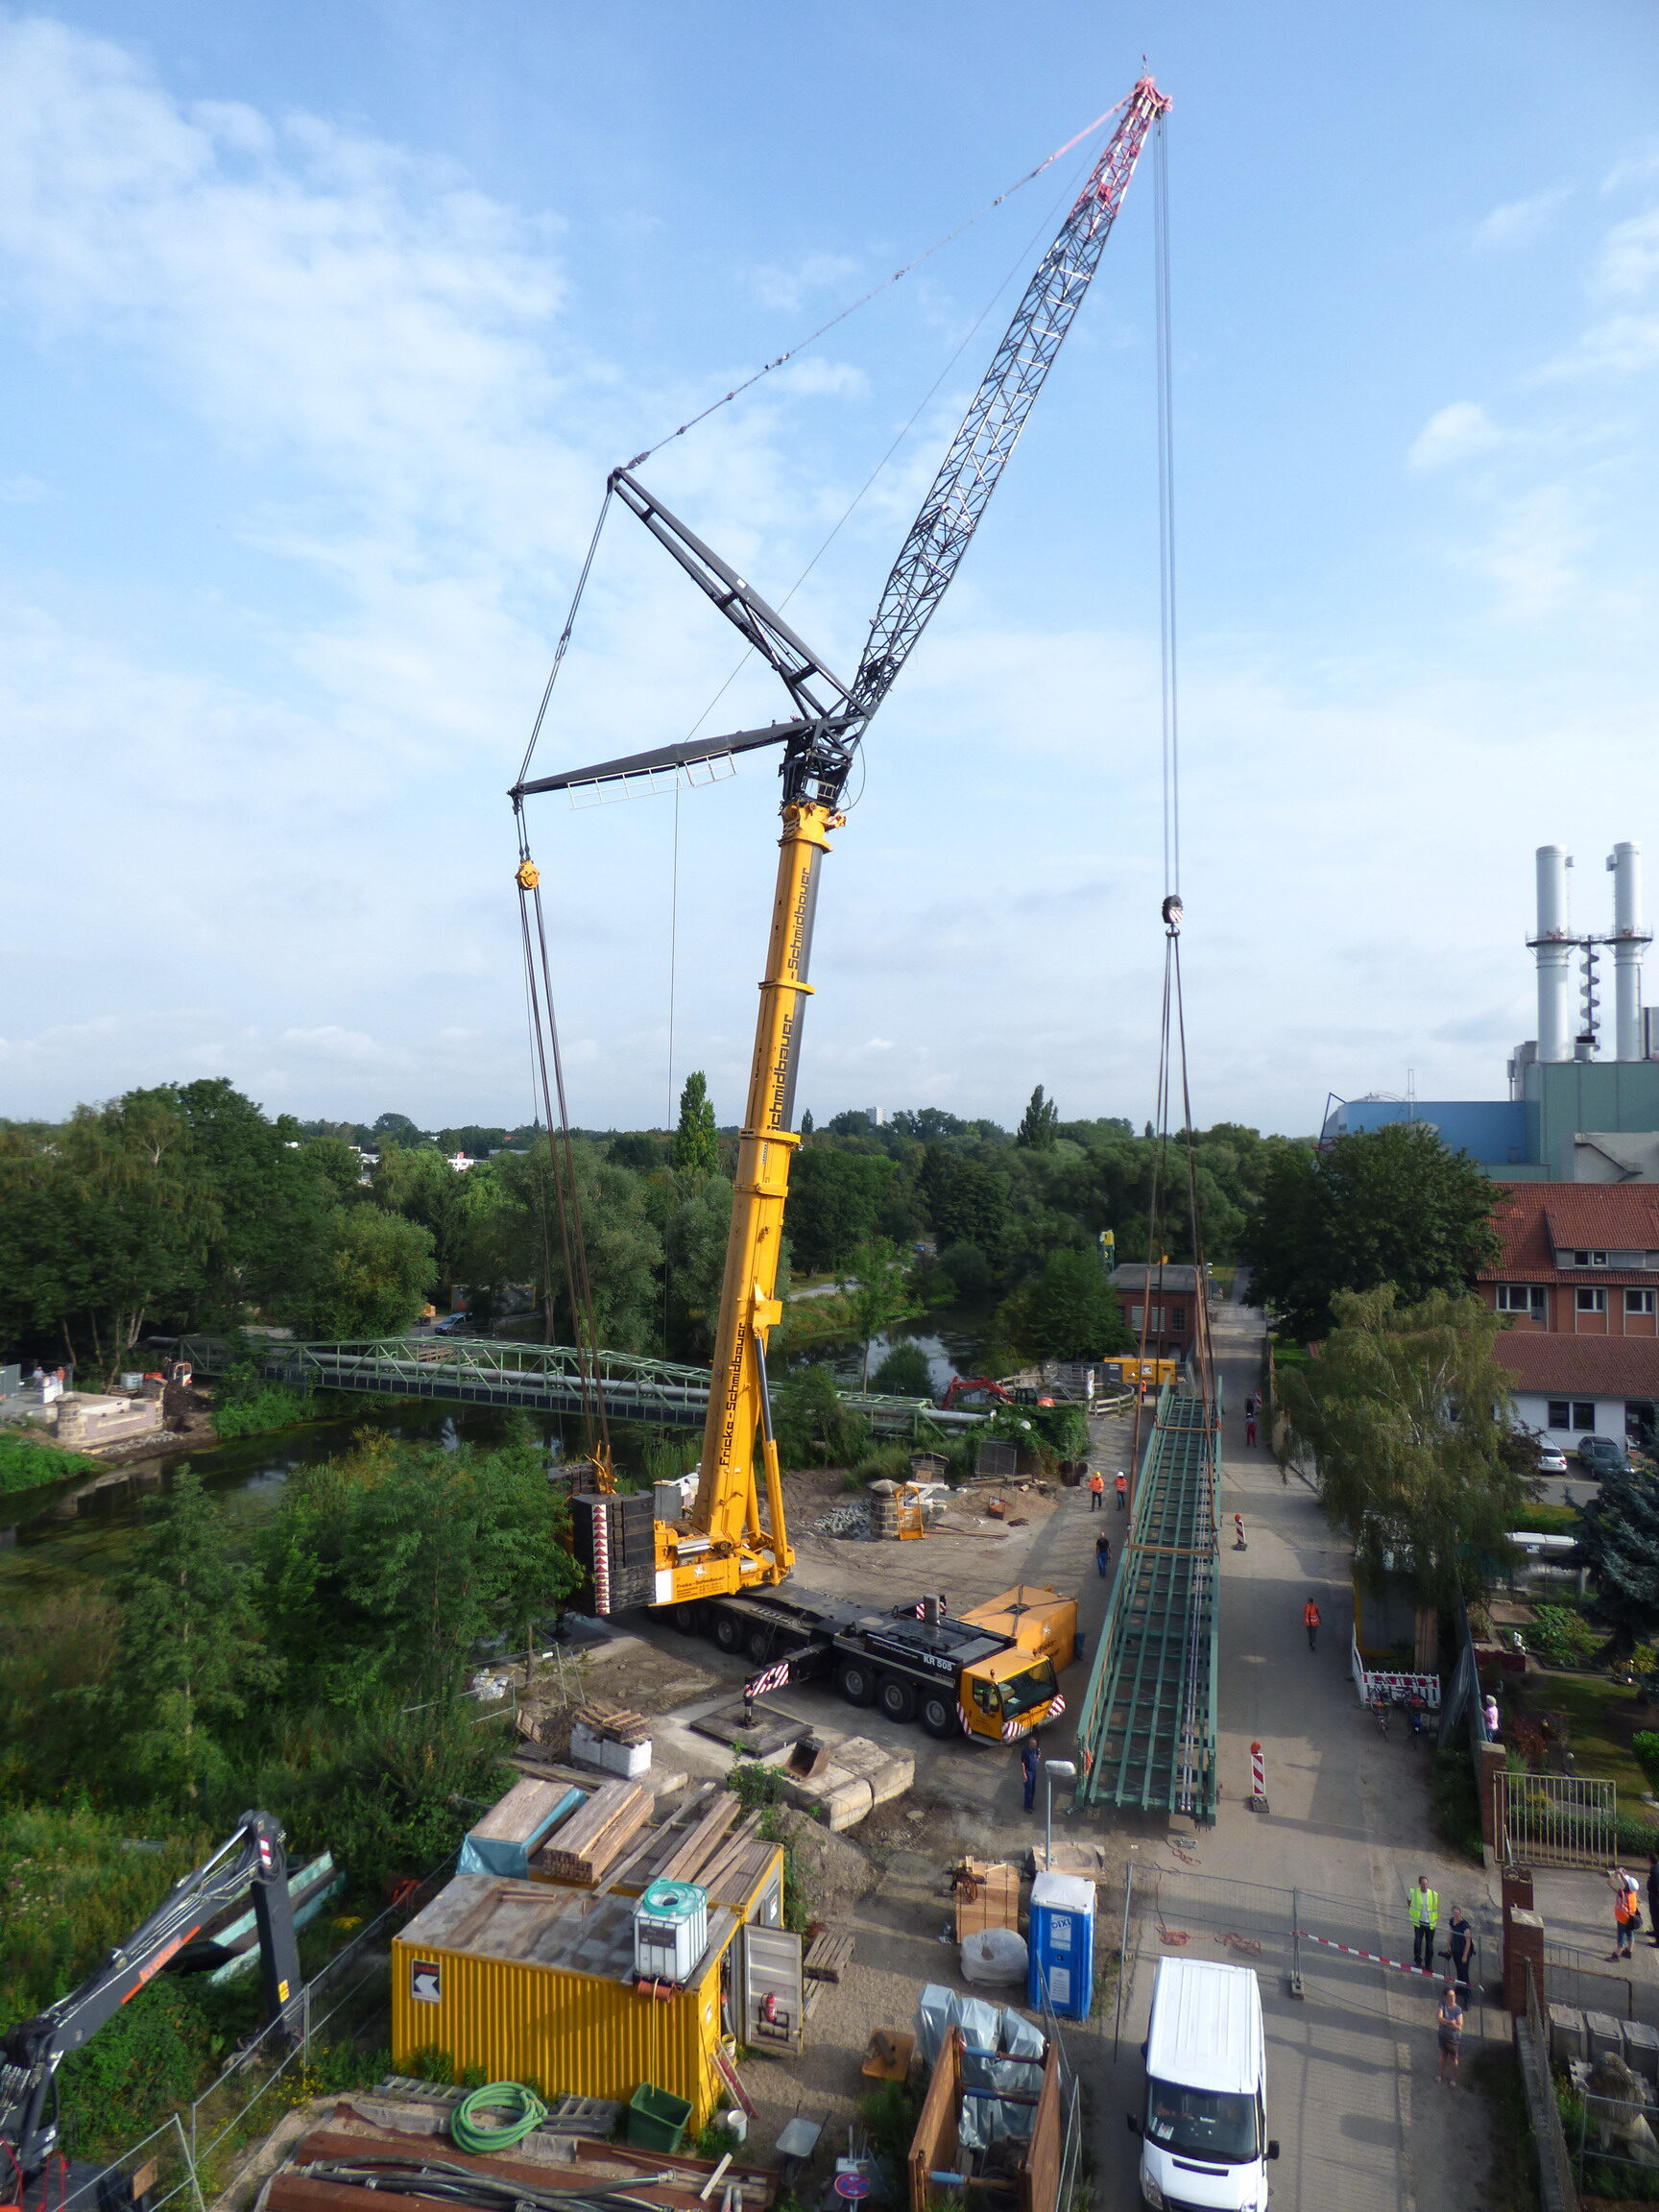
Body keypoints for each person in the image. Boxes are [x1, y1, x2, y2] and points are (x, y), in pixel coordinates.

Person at [1609, 1864, 1642, 1960]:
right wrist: (1622, 1874)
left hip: (1622, 1918)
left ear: (1627, 1885)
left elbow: (1610, 1882)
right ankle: (1629, 1952)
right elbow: (1628, 1883)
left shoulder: (1622, 1893)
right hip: (1631, 1918)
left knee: (1620, 1938)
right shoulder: (1633, 1893)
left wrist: (1616, 1873)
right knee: (1630, 1934)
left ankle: (1616, 1956)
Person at [1408, 1875, 1439, 1971]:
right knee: (1418, 1943)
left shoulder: (1434, 1894)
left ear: (1428, 1884)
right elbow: (1409, 1902)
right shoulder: (1414, 1893)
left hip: (1430, 1923)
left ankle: (1428, 1965)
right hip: (1419, 1923)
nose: (1425, 1886)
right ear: (1419, 1884)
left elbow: (1435, 1907)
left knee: (1429, 1945)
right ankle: (1418, 1962)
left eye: (1426, 1884)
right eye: (1423, 1884)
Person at [1436, 1984, 1464, 2086]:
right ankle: (1440, 2074)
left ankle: (1454, 2078)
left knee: (1453, 2058)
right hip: (1443, 2035)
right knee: (1443, 2055)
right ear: (1446, 1997)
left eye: (1454, 1995)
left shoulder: (1458, 2009)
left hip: (1453, 2039)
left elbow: (1459, 2026)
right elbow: (1439, 2018)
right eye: (1450, 1996)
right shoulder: (1442, 2004)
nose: (1452, 1998)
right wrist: (1450, 2022)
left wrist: (1445, 2022)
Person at [1446, 1907, 1475, 2004]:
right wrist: (1448, 1948)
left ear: (1460, 1913)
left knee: (1464, 1973)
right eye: (1454, 1913)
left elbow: (1468, 1942)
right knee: (1458, 1971)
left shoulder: (1465, 1926)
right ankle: (1459, 1988)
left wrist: (1465, 1956)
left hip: (1464, 1952)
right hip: (1456, 1951)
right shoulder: (1452, 1921)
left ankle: (1467, 1994)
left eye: (1457, 1913)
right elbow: (1450, 1934)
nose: (1456, 1915)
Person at [1020, 1733, 1040, 1812]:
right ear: (1030, 1744)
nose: (1035, 1745)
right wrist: (1024, 1773)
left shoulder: (1036, 1749)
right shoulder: (1025, 1751)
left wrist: (1038, 1758)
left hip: (1034, 1772)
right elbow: (1022, 1763)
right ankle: (1027, 1807)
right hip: (1028, 1772)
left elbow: (1039, 1752)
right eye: (1034, 1744)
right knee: (1028, 1790)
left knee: (1033, 1789)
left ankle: (1031, 1804)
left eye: (1035, 1744)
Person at [1647, 1853, 1659, 1948]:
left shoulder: (1655, 1871)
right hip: (1654, 1897)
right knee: (1654, 1917)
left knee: (1656, 1918)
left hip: (1656, 1898)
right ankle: (1655, 1932)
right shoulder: (1656, 1868)